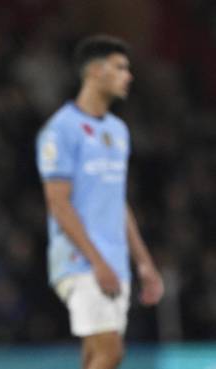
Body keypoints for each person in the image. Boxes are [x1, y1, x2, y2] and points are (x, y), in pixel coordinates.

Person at [36, 35, 164, 369]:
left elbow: (117, 201)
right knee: (111, 352)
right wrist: (97, 262)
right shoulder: (61, 130)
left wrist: (144, 263)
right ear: (94, 71)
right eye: (120, 67)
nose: (129, 75)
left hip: (114, 261)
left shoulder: (118, 131)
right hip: (82, 261)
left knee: (96, 354)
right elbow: (59, 204)